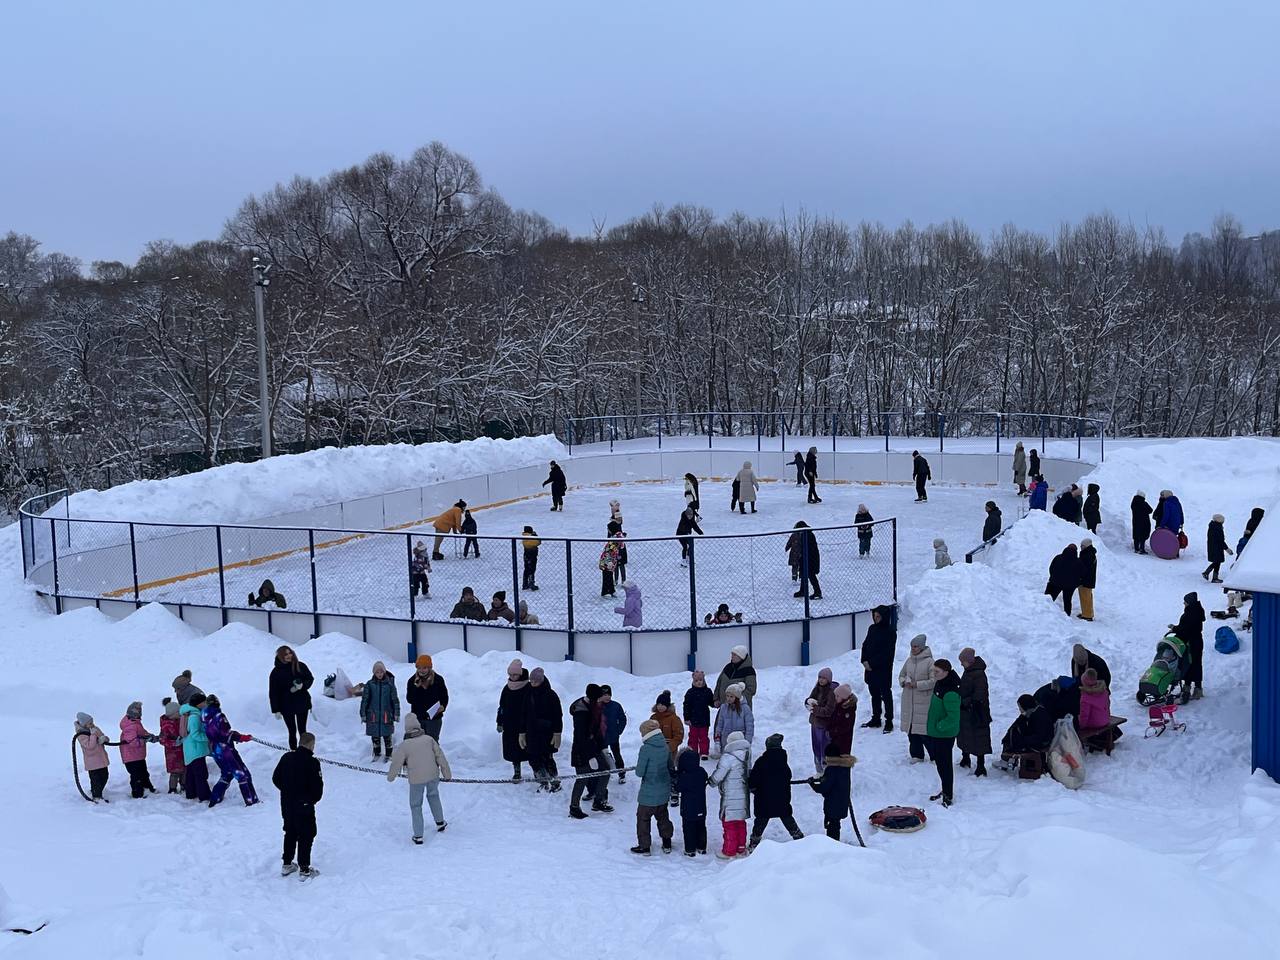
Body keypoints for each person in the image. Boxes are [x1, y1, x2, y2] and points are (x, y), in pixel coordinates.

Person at [387, 714, 451, 843]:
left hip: (416, 780)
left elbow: (396, 763)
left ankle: (418, 835)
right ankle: (440, 822)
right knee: (434, 796)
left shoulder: (405, 745)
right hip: (433, 775)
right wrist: (447, 774)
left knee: (416, 805)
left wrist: (391, 777)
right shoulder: (429, 739)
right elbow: (440, 757)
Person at [273, 731, 323, 879]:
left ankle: (287, 863)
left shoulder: (286, 757)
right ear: (311, 744)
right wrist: (311, 799)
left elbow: (276, 778)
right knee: (306, 835)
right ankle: (304, 869)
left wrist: (287, 791)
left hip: (287, 804)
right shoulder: (313, 763)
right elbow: (317, 787)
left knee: (290, 831)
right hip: (304, 806)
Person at [203, 695, 259, 808]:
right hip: (226, 750)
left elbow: (217, 733)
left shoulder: (204, 717)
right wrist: (242, 737)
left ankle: (215, 798)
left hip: (215, 749)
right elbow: (226, 734)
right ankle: (251, 801)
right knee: (242, 774)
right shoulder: (219, 716)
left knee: (227, 774)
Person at [749, 733, 804, 847]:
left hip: (764, 799)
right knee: (786, 817)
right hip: (781, 798)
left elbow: (753, 780)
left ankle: (754, 842)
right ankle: (799, 837)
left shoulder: (761, 761)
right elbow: (788, 776)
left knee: (761, 821)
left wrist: (754, 789)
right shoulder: (783, 762)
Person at [568, 684, 613, 819]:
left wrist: (603, 747)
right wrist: (590, 756)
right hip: (581, 751)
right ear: (593, 698)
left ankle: (599, 801)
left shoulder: (595, 708)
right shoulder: (581, 712)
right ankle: (574, 807)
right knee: (582, 778)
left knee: (605, 770)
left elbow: (597, 731)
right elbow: (581, 737)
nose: (601, 701)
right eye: (599, 698)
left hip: (595, 747)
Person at [631, 720, 675, 855]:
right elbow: (670, 766)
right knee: (662, 816)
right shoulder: (665, 745)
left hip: (648, 792)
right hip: (663, 790)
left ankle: (645, 847)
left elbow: (639, 772)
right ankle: (667, 842)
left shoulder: (646, 749)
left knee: (643, 818)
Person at [708, 730, 751, 859]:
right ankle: (741, 848)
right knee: (740, 822)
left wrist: (711, 781)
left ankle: (729, 850)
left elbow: (718, 776)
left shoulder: (728, 757)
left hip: (730, 795)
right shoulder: (747, 755)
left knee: (730, 823)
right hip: (743, 795)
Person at [925, 659, 960, 807]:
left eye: (937, 671)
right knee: (940, 764)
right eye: (933, 670)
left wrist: (939, 726)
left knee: (945, 765)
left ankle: (948, 795)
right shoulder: (940, 683)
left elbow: (953, 716)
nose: (934, 673)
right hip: (936, 732)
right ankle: (945, 789)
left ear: (946, 672)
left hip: (944, 734)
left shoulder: (951, 691)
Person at [522, 667, 563, 791]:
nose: (533, 683)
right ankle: (542, 779)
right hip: (531, 732)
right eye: (531, 681)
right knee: (533, 757)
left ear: (541, 680)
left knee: (547, 758)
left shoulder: (551, 695)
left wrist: (557, 732)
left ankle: (554, 780)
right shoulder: (528, 693)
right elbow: (523, 713)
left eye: (535, 681)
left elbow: (557, 715)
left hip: (547, 733)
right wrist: (521, 732)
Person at [269, 645, 314, 751]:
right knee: (292, 731)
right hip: (286, 706)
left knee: (302, 730)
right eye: (286, 654)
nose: (289, 656)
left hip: (302, 703)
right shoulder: (276, 672)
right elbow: (273, 692)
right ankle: (294, 751)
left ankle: (304, 751)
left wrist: (302, 686)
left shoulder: (300, 666)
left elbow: (310, 678)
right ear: (280, 657)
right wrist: (276, 709)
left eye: (290, 653)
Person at [899, 634, 935, 763]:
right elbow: (901, 675)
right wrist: (903, 682)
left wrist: (917, 684)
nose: (913, 649)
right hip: (909, 700)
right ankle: (917, 755)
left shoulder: (930, 662)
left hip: (923, 701)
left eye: (915, 646)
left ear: (921, 647)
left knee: (924, 732)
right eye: (912, 646)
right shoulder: (909, 660)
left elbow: (933, 681)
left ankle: (934, 755)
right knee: (912, 730)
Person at [808, 742, 854, 841]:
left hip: (833, 804)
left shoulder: (832, 769)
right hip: (841, 802)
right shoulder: (844, 767)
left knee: (832, 826)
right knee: (835, 824)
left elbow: (823, 788)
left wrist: (812, 784)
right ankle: (834, 841)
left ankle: (833, 844)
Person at [861, 605, 896, 732]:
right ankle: (876, 718)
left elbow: (887, 653)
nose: (876, 619)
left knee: (886, 695)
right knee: (874, 694)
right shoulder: (872, 629)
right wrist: (864, 660)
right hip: (870, 669)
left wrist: (872, 663)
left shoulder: (890, 632)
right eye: (874, 616)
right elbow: (865, 645)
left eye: (878, 617)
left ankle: (889, 720)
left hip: (883, 669)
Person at [956, 648, 991, 777]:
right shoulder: (969, 671)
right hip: (966, 711)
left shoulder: (978, 674)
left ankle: (981, 765)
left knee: (978, 737)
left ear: (969, 661)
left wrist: (965, 702)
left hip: (977, 711)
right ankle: (965, 758)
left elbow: (979, 694)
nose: (961, 664)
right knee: (965, 735)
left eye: (963, 661)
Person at [496, 660, 530, 781]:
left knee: (529, 748)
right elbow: (502, 706)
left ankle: (538, 772)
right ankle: (517, 771)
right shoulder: (507, 688)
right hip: (510, 724)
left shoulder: (528, 687)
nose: (512, 677)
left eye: (515, 675)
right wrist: (499, 722)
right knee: (513, 749)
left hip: (525, 724)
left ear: (520, 674)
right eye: (510, 675)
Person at [361, 661, 400, 762]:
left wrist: (396, 713)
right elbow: (365, 700)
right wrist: (363, 714)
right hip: (373, 714)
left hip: (386, 714)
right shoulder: (369, 684)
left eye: (381, 672)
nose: (379, 674)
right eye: (377, 672)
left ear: (384, 672)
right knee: (375, 736)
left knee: (387, 736)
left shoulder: (390, 685)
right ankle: (377, 752)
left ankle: (389, 754)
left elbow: (395, 700)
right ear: (374, 673)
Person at [118, 701, 157, 798]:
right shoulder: (129, 726)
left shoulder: (135, 723)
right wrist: (145, 740)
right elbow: (132, 742)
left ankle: (148, 787)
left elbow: (142, 733)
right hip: (131, 757)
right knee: (136, 776)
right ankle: (137, 793)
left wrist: (149, 736)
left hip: (138, 756)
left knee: (144, 773)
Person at [1172, 592, 1207, 702]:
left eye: (1185, 602)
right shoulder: (1197, 611)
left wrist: (1174, 629)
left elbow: (1185, 630)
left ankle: (1189, 688)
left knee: (1189, 664)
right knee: (1196, 664)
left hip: (1190, 643)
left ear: (1189, 603)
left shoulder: (1190, 613)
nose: (1184, 604)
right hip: (1196, 641)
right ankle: (1197, 688)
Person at [651, 690, 684, 805]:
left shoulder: (674, 719)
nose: (660, 707)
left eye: (663, 705)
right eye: (659, 704)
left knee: (670, 769)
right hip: (656, 749)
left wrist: (670, 747)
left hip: (669, 749)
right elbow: (648, 733)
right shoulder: (653, 717)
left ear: (667, 706)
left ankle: (674, 791)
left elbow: (678, 736)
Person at [406, 654, 449, 742]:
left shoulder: (438, 680)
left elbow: (444, 696)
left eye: (425, 668)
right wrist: (416, 688)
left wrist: (443, 706)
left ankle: (433, 756)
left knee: (432, 743)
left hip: (434, 719)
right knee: (418, 743)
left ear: (429, 667)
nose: (422, 670)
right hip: (418, 718)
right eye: (419, 668)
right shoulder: (412, 681)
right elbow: (409, 699)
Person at [1001, 694, 1054, 762]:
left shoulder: (1040, 716)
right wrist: (1022, 717)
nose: (1020, 710)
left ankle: (1006, 759)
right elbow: (1017, 724)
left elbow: (1039, 737)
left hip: (1041, 744)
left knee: (1014, 738)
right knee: (1013, 731)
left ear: (1026, 707)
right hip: (1037, 740)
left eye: (1020, 708)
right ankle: (1006, 758)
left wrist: (1023, 740)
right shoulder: (1032, 712)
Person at [676, 747, 709, 856]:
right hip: (701, 806)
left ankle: (690, 849)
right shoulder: (701, 772)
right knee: (701, 827)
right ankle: (702, 847)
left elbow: (678, 788)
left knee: (689, 828)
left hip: (688, 809)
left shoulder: (684, 776)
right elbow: (705, 777)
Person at [179, 692, 211, 801]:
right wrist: (209, 736)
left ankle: (191, 793)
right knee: (201, 774)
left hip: (189, 749)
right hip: (196, 749)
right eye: (204, 701)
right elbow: (196, 734)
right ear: (199, 704)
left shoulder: (187, 713)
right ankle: (204, 795)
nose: (206, 703)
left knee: (191, 774)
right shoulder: (194, 717)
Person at [805, 667, 837, 775]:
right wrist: (807, 702)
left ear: (828, 679)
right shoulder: (817, 688)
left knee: (824, 748)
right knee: (816, 748)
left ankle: (827, 771)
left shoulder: (831, 692)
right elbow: (810, 699)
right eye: (819, 677)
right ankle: (819, 771)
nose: (821, 680)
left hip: (824, 726)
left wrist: (814, 709)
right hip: (814, 724)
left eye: (823, 678)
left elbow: (828, 711)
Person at [75, 712, 111, 801]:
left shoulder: (94, 729)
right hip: (92, 763)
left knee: (105, 776)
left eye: (92, 722)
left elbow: (103, 737)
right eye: (89, 723)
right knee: (96, 780)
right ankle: (97, 796)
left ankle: (97, 792)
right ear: (84, 724)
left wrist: (104, 739)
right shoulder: (81, 735)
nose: (92, 724)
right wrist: (93, 735)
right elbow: (89, 746)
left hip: (101, 759)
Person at [684, 670, 715, 760]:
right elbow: (686, 706)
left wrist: (715, 703)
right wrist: (686, 718)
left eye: (700, 680)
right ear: (693, 681)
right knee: (693, 736)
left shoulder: (707, 691)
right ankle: (692, 751)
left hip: (704, 719)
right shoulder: (690, 693)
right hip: (693, 719)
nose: (699, 682)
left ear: (704, 680)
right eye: (696, 681)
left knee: (704, 737)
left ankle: (704, 752)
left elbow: (711, 702)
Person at [714, 683, 755, 751]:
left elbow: (749, 726)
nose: (729, 698)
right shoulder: (724, 707)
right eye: (727, 696)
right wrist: (717, 740)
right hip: (726, 742)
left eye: (731, 696)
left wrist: (747, 741)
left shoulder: (745, 708)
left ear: (737, 697)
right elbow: (720, 724)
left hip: (740, 741)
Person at [787, 521, 823, 599]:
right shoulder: (805, 534)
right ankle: (802, 590)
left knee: (811, 575)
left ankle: (817, 592)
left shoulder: (807, 535)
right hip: (805, 558)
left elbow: (809, 549)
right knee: (803, 574)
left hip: (811, 559)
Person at [601, 684, 627, 782]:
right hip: (601, 737)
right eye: (604, 694)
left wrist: (618, 731)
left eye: (608, 694)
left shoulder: (616, 705)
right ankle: (606, 773)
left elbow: (622, 719)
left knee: (617, 754)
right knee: (604, 755)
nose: (607, 697)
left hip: (613, 735)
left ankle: (622, 774)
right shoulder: (598, 705)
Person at [1045, 544, 1081, 615]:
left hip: (1055, 582)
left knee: (1049, 598)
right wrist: (1076, 583)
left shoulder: (1058, 557)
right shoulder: (1078, 562)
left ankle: (1045, 611)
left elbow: (1051, 568)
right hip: (1070, 586)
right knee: (1067, 601)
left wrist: (1053, 577)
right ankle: (1067, 616)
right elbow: (1081, 574)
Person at [159, 699, 185, 794]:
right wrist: (174, 743)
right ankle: (172, 788)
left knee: (183, 770)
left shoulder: (178, 720)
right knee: (175, 772)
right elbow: (162, 740)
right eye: (178, 712)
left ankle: (184, 785)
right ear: (172, 713)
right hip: (172, 754)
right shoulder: (166, 726)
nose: (180, 713)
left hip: (181, 751)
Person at [1077, 668, 1112, 736]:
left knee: (1076, 718)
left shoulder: (1085, 697)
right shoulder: (1104, 691)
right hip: (1106, 719)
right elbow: (1107, 705)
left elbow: (1085, 715)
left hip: (1095, 723)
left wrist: (1081, 726)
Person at [826, 684, 857, 756]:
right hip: (835, 738)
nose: (835, 698)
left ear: (844, 698)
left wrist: (833, 731)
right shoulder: (838, 705)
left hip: (843, 740)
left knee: (841, 758)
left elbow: (845, 726)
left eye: (837, 696)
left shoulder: (848, 710)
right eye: (835, 696)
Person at [1204, 514, 1232, 583]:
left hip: (1213, 546)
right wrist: (1227, 549)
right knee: (1217, 562)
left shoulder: (1213, 526)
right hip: (1217, 547)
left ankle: (1211, 575)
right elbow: (1220, 540)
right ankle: (1210, 575)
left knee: (1217, 562)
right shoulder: (1217, 528)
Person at [1077, 538, 1098, 621]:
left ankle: (1087, 615)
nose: (1081, 547)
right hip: (1089, 579)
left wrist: (1080, 577)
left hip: (1085, 580)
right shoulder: (1090, 553)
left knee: (1085, 597)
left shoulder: (1087, 555)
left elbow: (1083, 568)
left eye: (1082, 546)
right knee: (1088, 597)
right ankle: (1087, 613)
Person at [521, 526, 540, 590]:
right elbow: (538, 542)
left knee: (526, 569)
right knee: (532, 569)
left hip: (526, 555)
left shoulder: (524, 537)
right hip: (532, 555)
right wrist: (535, 536)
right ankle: (531, 583)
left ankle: (525, 584)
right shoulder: (531, 537)